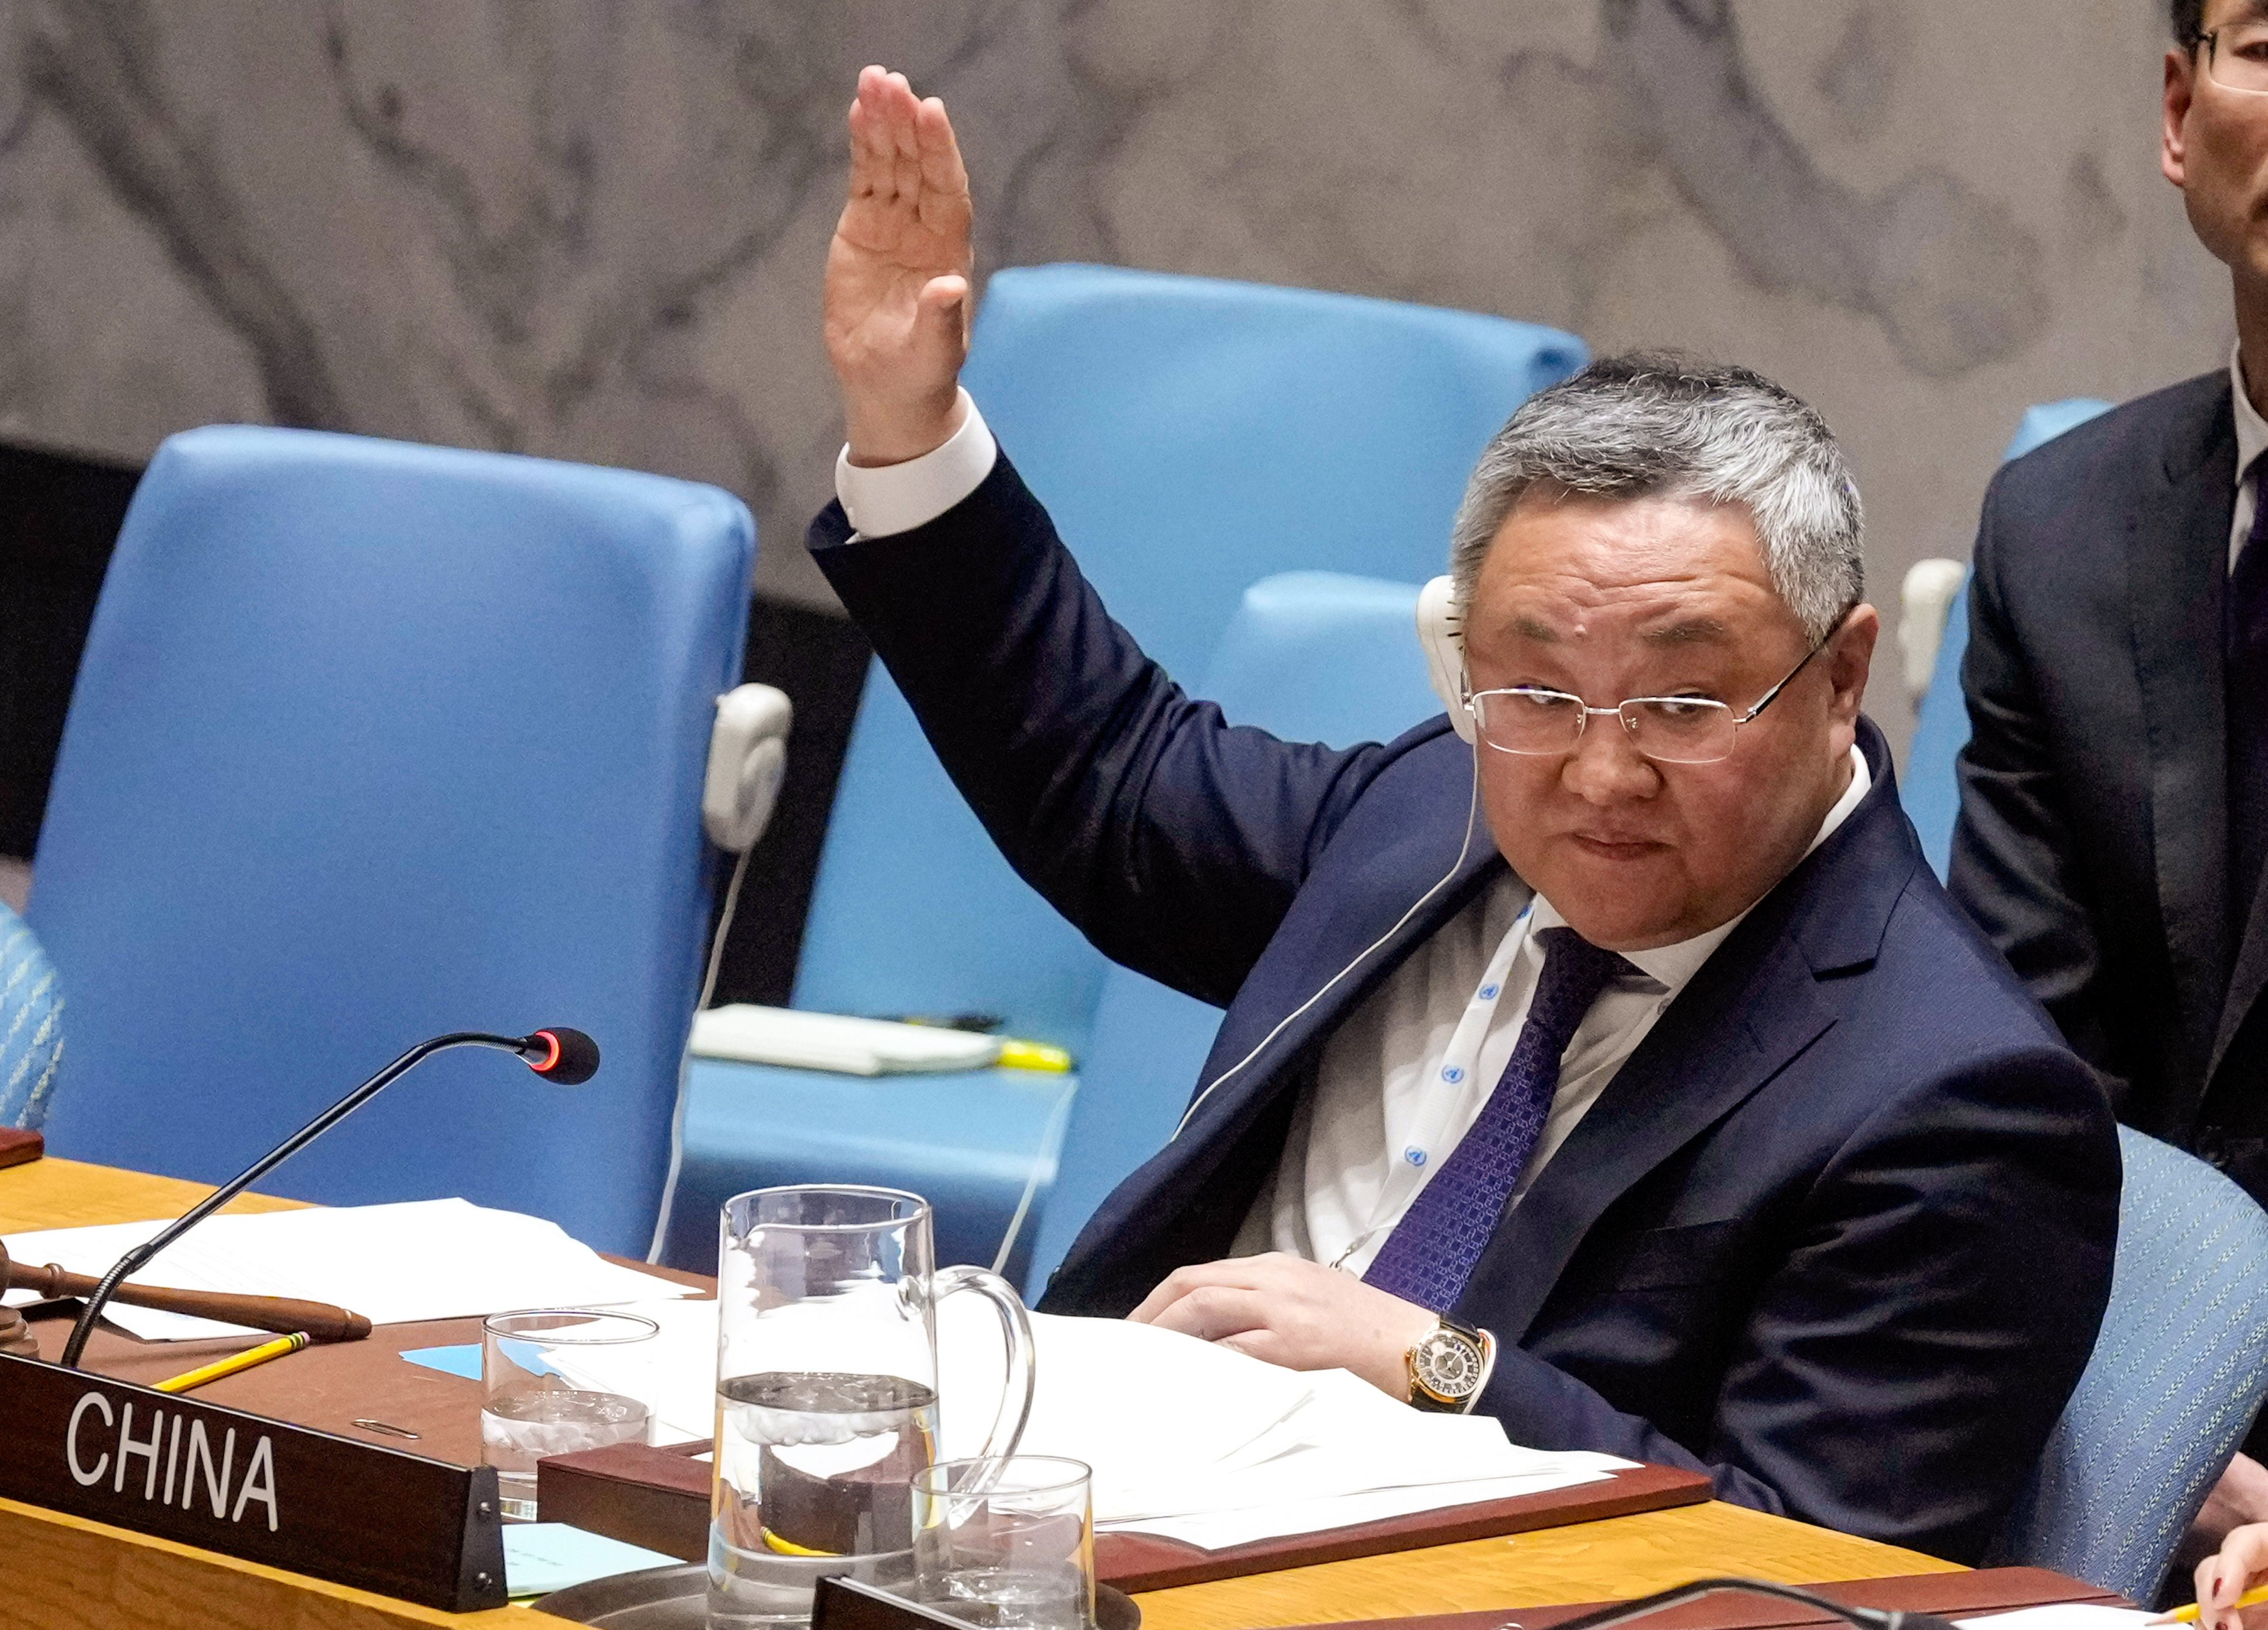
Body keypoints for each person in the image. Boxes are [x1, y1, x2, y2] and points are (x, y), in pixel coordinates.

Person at [819, 66, 2116, 1561]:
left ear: (1840, 679)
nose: (1599, 770)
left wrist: (1436, 1368)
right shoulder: (1439, 803)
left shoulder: (1957, 1099)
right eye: (1539, 690)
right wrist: (910, 429)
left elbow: (1808, 1562)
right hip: (1091, 1524)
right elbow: (1110, 777)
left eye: (1685, 706)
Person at [1946, 0, 2268, 1553]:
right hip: (2116, 1415)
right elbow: (2019, 1067)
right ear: (2177, 109)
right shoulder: (2059, 531)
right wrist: (2159, 1412)